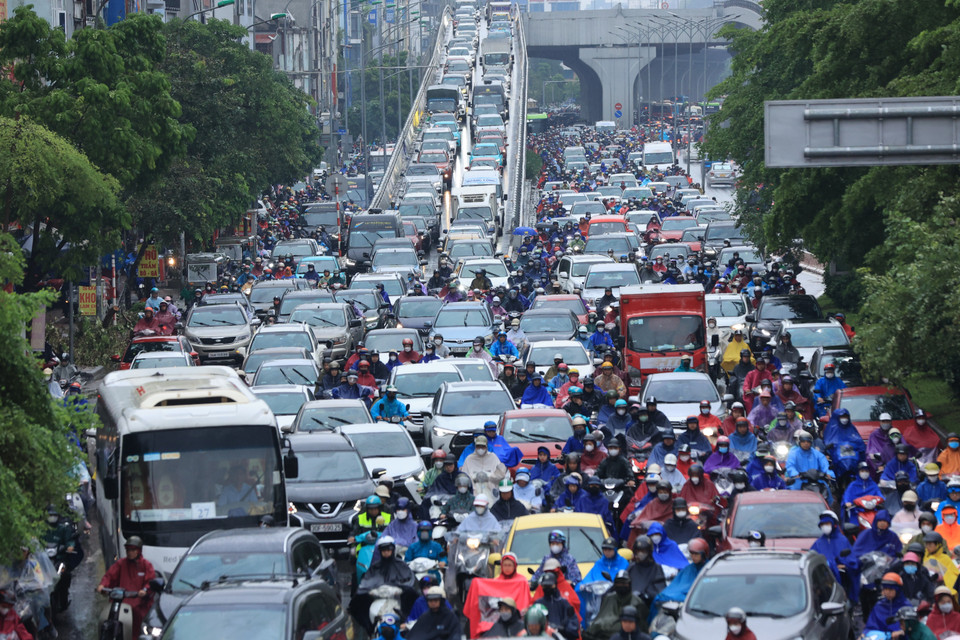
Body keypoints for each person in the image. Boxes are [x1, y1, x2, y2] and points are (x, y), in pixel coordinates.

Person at [97, 536, 156, 634]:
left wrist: (144, 590)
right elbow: (110, 575)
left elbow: (150, 581)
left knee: (139, 626)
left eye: (133, 550)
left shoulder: (146, 565)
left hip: (139, 605)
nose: (129, 552)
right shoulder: (121, 563)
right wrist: (103, 585)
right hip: (121, 603)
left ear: (139, 551)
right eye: (128, 550)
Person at [811, 510, 859, 603]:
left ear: (834, 524)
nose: (825, 526)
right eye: (823, 524)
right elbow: (813, 558)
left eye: (827, 523)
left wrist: (844, 565)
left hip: (843, 580)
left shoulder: (843, 540)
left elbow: (852, 560)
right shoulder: (818, 543)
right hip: (824, 581)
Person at [583, 571, 648, 640]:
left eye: (624, 583)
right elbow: (598, 620)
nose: (621, 585)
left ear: (629, 584)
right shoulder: (609, 598)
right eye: (618, 583)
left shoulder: (637, 602)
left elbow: (642, 627)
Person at [533, 572, 579, 640]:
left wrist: (561, 629)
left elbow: (573, 624)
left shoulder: (564, 603)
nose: (548, 588)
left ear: (555, 585)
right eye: (545, 586)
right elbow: (532, 623)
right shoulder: (538, 604)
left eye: (550, 585)